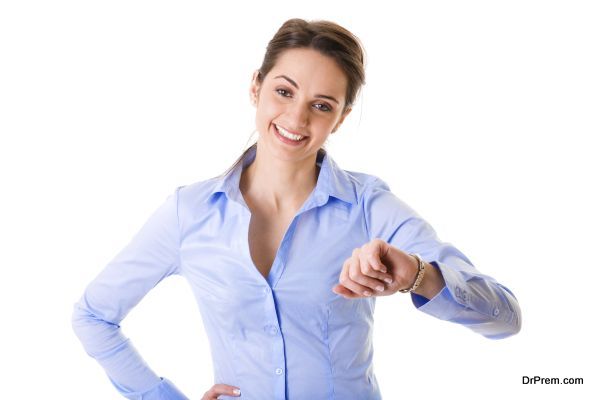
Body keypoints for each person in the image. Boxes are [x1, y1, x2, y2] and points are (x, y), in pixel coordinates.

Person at [72, 18, 522, 400]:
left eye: (321, 105)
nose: (296, 119)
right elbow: (93, 316)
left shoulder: (369, 207)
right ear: (256, 86)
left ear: (341, 118)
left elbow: (505, 318)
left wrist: (418, 274)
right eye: (284, 92)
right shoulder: (188, 213)